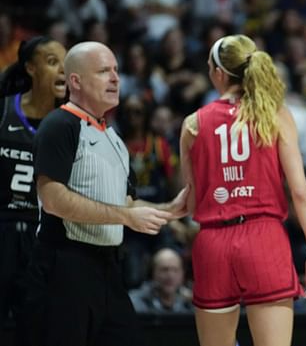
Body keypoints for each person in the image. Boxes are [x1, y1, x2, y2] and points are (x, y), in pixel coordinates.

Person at [23, 41, 190, 346]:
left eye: (115, 70)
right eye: (103, 71)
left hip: (108, 268)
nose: (115, 78)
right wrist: (126, 216)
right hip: (64, 265)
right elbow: (53, 199)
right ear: (75, 81)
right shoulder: (59, 125)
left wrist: (169, 210)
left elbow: (125, 202)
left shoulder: (113, 137)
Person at [179, 34, 306, 346]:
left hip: (213, 242)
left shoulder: (193, 123)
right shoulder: (275, 115)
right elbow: (299, 192)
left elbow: (191, 203)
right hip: (264, 238)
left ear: (219, 73)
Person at [0, 36, 66, 346]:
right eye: (53, 62)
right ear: (30, 68)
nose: (62, 71)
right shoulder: (3, 113)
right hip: (3, 230)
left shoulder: (71, 124)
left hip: (44, 241)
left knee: (37, 332)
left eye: (67, 64)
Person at [129, 247, 193, 314]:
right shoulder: (135, 302)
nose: (170, 276)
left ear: (182, 274)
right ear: (153, 273)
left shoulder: (190, 303)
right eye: (164, 270)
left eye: (175, 270)